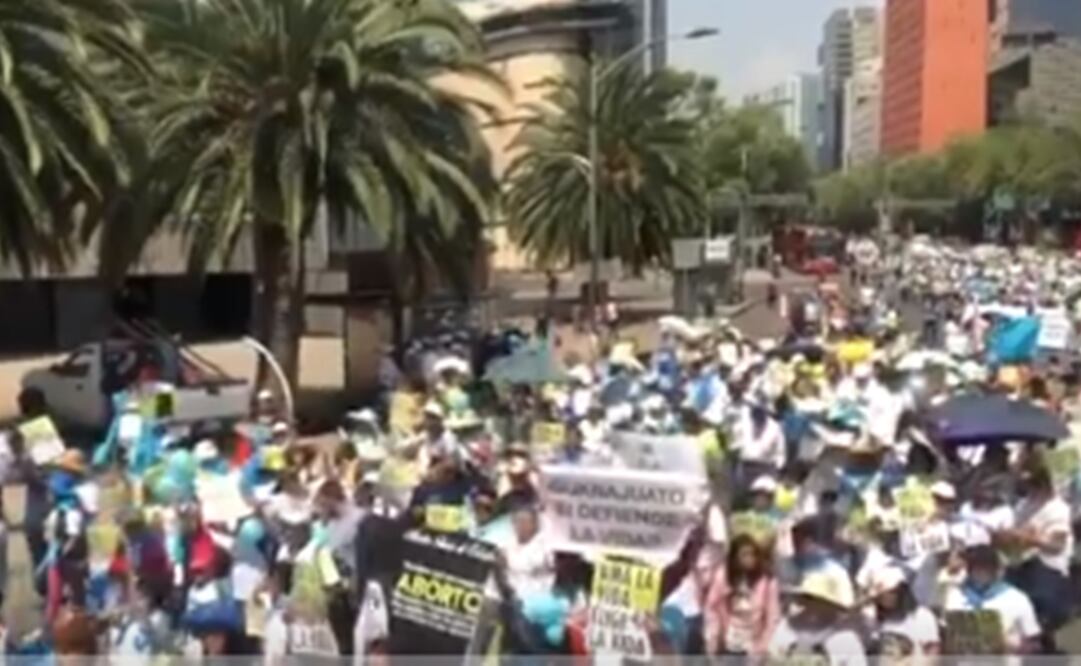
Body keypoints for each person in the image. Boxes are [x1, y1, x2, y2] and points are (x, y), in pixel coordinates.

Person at [1001, 463, 1073, 650]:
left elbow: (1056, 546)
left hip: (1047, 567)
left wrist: (1032, 539)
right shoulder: (1023, 505)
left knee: (1040, 615)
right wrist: (1008, 536)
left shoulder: (1058, 508)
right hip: (1019, 564)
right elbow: (1015, 533)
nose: (1026, 488)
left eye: (1030, 483)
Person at [943, 545, 1040, 655]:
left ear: (996, 570)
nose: (978, 572)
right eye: (974, 567)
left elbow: (1034, 644)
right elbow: (948, 637)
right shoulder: (956, 595)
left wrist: (1009, 643)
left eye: (984, 567)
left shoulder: (1017, 598)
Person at [704, 534, 780, 657]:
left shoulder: (767, 580)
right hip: (727, 641)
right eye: (744, 555)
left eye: (752, 554)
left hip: (753, 644)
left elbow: (772, 616)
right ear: (735, 558)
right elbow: (711, 607)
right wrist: (713, 637)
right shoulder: (723, 576)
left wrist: (761, 646)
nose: (749, 559)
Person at [767, 571, 866, 665]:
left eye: (819, 600)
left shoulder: (846, 639)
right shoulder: (786, 628)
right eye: (810, 598)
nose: (814, 604)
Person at [868, 567, 940, 658]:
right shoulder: (873, 619)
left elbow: (931, 655)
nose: (884, 598)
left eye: (892, 592)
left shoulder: (923, 617)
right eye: (880, 596)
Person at [500, 505, 554, 601]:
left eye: (526, 521)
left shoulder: (544, 547)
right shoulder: (505, 545)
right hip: (514, 598)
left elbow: (551, 570)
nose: (522, 525)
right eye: (518, 521)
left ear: (534, 525)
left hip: (539, 600)